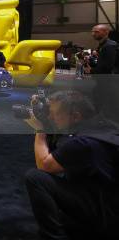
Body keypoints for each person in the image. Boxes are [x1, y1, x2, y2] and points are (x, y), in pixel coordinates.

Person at [24, 91, 119, 239]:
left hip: (105, 217)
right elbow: (61, 150)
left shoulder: (83, 144)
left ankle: (54, 236)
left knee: (35, 178)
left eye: (55, 114)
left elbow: (44, 165)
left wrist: (40, 129)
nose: (50, 117)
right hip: (107, 201)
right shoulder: (104, 126)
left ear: (75, 116)